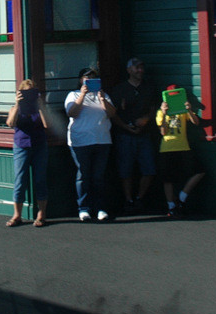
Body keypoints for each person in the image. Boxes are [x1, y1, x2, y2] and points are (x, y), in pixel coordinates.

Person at [65, 68, 116, 222]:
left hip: (102, 140)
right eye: (86, 78)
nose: (89, 81)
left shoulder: (104, 95)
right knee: (83, 175)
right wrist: (82, 95)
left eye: (93, 78)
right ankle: (84, 208)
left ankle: (100, 208)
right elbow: (72, 113)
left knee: (99, 176)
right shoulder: (73, 95)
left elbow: (112, 113)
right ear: (80, 80)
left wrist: (102, 99)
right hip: (81, 141)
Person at [109, 58, 157, 214]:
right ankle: (128, 200)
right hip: (125, 135)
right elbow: (113, 114)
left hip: (144, 134)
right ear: (129, 70)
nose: (140, 70)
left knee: (149, 169)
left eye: (141, 67)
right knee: (126, 170)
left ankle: (139, 198)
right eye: (136, 68)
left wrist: (146, 119)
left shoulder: (148, 88)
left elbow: (154, 108)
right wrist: (126, 127)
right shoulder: (120, 89)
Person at [156, 85, 205, 218]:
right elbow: (163, 132)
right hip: (167, 148)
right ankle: (171, 207)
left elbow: (196, 122)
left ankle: (181, 198)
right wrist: (164, 113)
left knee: (199, 171)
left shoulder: (182, 111)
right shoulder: (160, 112)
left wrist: (189, 110)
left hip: (183, 147)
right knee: (168, 179)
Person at [5, 79, 49, 227]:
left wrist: (40, 105)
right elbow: (11, 123)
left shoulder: (39, 109)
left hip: (39, 145)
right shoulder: (15, 108)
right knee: (20, 180)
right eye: (26, 93)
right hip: (21, 145)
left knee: (40, 180)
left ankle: (41, 214)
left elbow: (46, 124)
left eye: (31, 92)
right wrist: (18, 104)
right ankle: (17, 215)